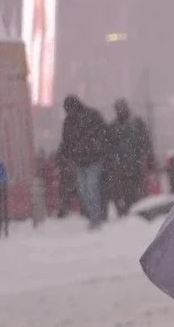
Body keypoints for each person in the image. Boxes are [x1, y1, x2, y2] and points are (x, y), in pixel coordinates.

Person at [58, 96, 110, 230]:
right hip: (86, 160)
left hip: (89, 160)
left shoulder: (72, 121)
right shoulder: (91, 116)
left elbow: (66, 142)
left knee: (89, 189)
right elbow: (66, 142)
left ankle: (94, 218)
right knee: (87, 190)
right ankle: (94, 216)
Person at [105, 99, 155, 216]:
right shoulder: (116, 126)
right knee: (126, 189)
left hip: (133, 162)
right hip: (125, 163)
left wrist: (148, 158)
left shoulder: (134, 124)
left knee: (133, 188)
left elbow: (145, 142)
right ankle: (131, 210)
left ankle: (135, 210)